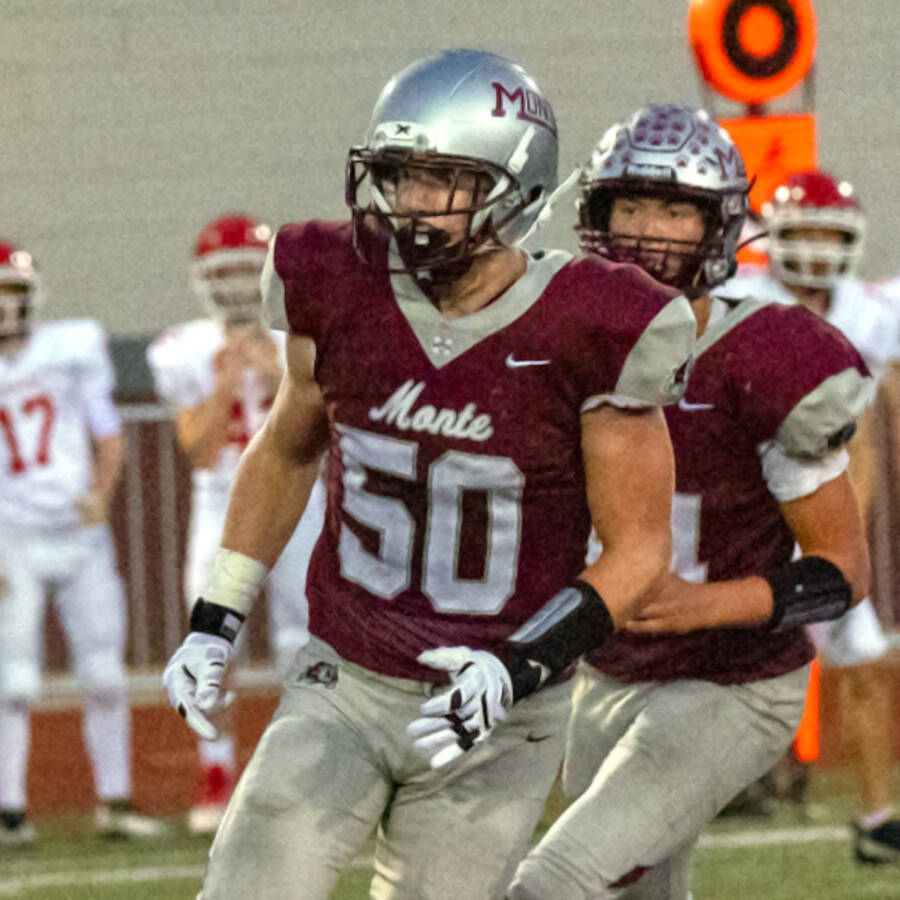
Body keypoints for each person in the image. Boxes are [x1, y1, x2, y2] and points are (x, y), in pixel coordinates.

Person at [161, 50, 697, 899]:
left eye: (444, 179)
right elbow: (289, 446)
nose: (412, 202)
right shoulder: (331, 280)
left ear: (519, 185)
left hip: (500, 707)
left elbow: (639, 550)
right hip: (347, 674)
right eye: (401, 175)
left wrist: (520, 665)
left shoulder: (599, 323)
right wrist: (214, 617)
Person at [408, 104, 873, 900]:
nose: (647, 233)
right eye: (629, 206)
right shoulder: (556, 343)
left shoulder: (767, 357)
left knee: (555, 882)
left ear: (717, 228)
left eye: (674, 210)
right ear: (595, 217)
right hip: (606, 673)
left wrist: (707, 604)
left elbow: (844, 571)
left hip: (732, 684)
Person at [717, 171, 900, 863]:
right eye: (804, 233)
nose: (818, 249)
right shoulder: (741, 301)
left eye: (829, 233)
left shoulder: (872, 312)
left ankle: (876, 817)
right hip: (746, 525)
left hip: (829, 529)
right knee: (711, 673)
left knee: (868, 662)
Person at [147, 213, 324, 835]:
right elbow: (197, 448)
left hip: (299, 496)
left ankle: (308, 768)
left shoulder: (298, 336)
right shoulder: (185, 347)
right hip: (220, 504)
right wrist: (226, 377)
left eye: (246, 271)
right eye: (223, 275)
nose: (237, 287)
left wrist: (277, 375)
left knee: (305, 638)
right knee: (211, 637)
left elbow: (322, 425)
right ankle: (215, 771)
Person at [0, 241, 165, 846]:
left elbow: (107, 431)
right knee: (12, 682)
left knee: (104, 673)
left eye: (10, 295)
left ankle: (115, 803)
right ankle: (11, 812)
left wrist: (100, 492)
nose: (2, 308)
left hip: (77, 530)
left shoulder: (70, 347)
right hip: (11, 534)